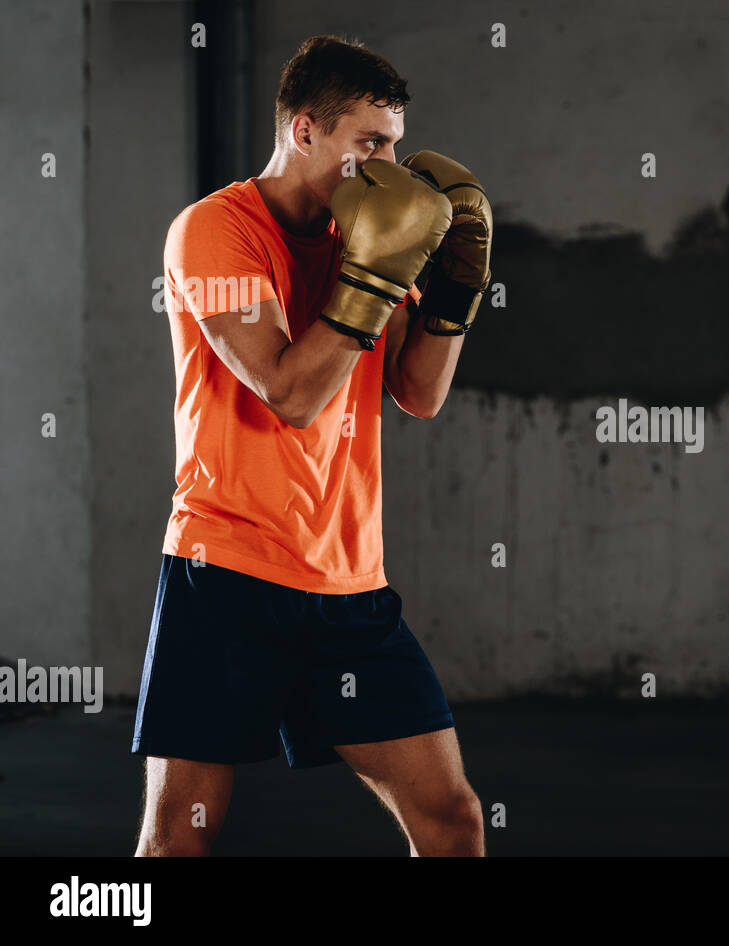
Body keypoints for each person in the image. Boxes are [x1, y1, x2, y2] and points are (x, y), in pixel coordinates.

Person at [131, 34, 492, 857]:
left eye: (395, 144)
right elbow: (291, 392)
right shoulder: (213, 232)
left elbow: (420, 394)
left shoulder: (367, 230)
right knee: (180, 835)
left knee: (453, 819)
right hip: (227, 571)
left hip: (348, 582)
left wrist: (457, 288)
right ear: (305, 131)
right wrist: (369, 277)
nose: (389, 165)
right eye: (370, 143)